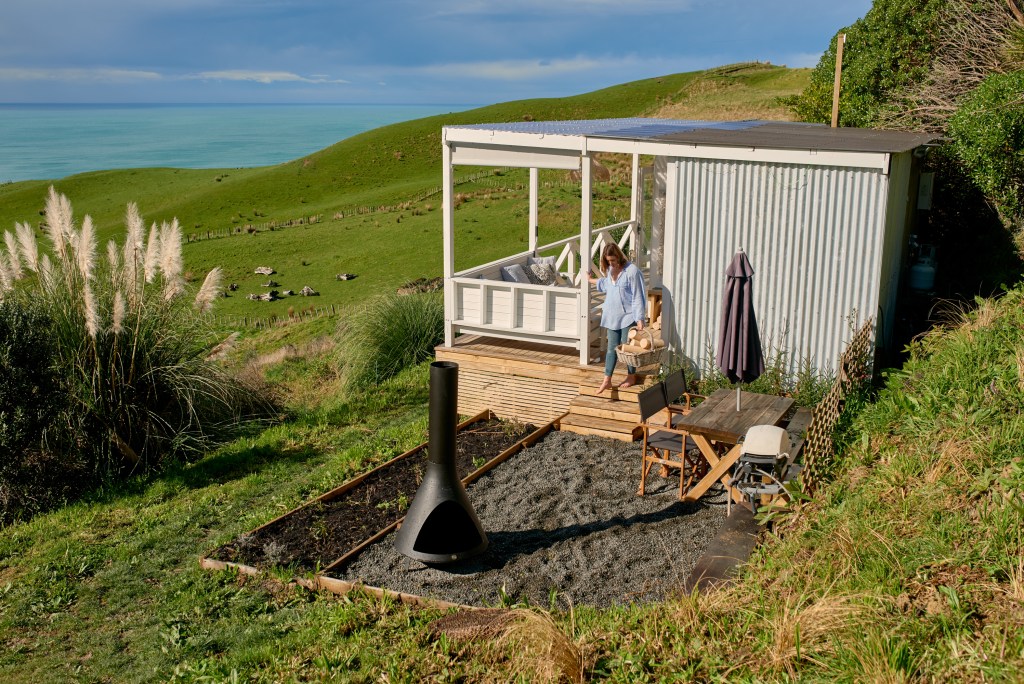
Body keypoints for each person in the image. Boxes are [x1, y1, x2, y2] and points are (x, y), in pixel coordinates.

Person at [588, 243, 647, 393]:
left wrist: (639, 318)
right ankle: (607, 380)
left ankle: (631, 376)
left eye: (613, 260)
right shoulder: (610, 270)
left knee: (628, 348)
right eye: (608, 261)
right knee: (611, 349)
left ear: (619, 256)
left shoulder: (632, 272)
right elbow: (606, 284)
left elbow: (638, 296)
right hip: (612, 316)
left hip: (627, 316)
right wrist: (590, 280)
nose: (611, 264)